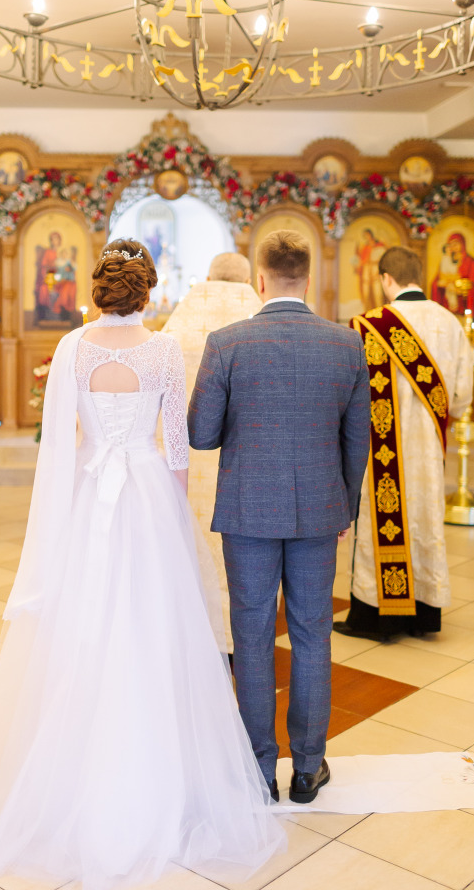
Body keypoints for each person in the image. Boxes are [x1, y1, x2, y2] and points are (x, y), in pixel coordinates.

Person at [0, 238, 285, 889]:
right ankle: (164, 775)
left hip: (91, 489)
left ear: (99, 291)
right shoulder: (160, 349)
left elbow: (62, 444)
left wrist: (61, 512)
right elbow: (179, 449)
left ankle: (71, 770)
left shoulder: (74, 347)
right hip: (150, 494)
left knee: (86, 623)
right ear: (148, 293)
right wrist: (174, 518)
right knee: (156, 627)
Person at [188, 230, 370, 805]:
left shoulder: (228, 342)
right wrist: (345, 507)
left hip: (248, 510)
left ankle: (258, 769)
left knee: (252, 633)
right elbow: (357, 440)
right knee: (313, 635)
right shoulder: (346, 345)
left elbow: (201, 434)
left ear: (260, 280)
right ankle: (309, 770)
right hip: (321, 511)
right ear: (308, 279)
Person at [336, 246, 473, 641]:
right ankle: (424, 614)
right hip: (428, 453)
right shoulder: (450, 324)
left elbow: (350, 396)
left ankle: (375, 616)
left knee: (381, 525)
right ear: (419, 276)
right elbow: (462, 398)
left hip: (381, 454)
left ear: (385, 279)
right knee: (425, 521)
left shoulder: (369, 324)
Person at [163, 251, 261, 658]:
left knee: (189, 547)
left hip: (189, 460)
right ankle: (241, 644)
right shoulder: (260, 317)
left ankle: (190, 637)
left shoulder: (179, 323)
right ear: (252, 280)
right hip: (247, 464)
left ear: (207, 276)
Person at [431, 232, 474, 319]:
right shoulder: (445, 261)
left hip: (463, 307)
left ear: (462, 244)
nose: (453, 247)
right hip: (446, 309)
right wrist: (439, 284)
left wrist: (459, 289)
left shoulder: (471, 262)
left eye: (456, 244)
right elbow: (436, 282)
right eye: (450, 244)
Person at [355, 227, 387, 311]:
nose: (366, 237)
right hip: (367, 271)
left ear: (370, 234)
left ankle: (380, 311)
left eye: (367, 235)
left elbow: (384, 257)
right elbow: (362, 260)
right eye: (365, 236)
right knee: (366, 294)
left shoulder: (380, 245)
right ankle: (366, 311)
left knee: (377, 294)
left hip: (376, 270)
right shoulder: (365, 247)